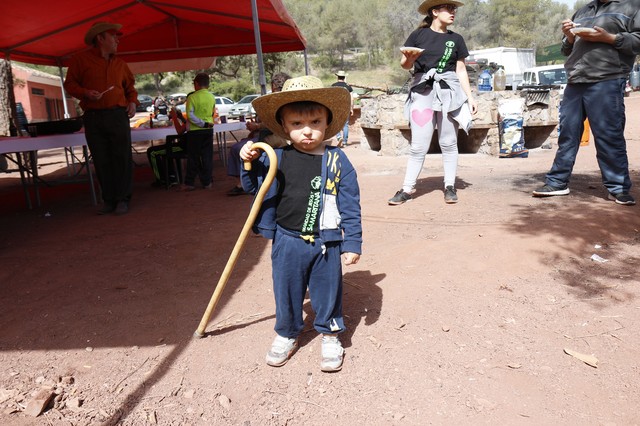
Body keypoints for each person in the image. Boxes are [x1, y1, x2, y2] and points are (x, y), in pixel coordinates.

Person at [239, 75, 362, 372]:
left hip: (326, 242)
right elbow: (252, 188)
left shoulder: (337, 160)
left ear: (327, 123)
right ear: (284, 126)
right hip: (287, 240)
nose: (307, 131)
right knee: (286, 290)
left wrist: (352, 241)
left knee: (327, 289)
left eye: (315, 123)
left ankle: (330, 334)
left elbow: (350, 203)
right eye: (297, 124)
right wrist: (248, 160)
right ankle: (287, 332)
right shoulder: (276, 157)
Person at [532, 0, 639, 206]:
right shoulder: (583, 11)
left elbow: (638, 41)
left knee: (609, 135)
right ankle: (557, 182)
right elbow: (566, 49)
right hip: (576, 79)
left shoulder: (633, 7)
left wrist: (610, 38)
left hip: (607, 78)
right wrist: (570, 37)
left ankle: (618, 188)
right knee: (567, 134)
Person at [388, 0, 477, 206]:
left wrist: (470, 98)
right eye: (449, 8)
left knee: (448, 142)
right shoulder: (419, 35)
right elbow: (405, 64)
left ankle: (450, 186)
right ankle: (407, 189)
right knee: (419, 145)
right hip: (423, 91)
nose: (453, 12)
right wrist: (409, 58)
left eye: (454, 8)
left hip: (449, 92)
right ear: (435, 11)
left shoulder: (456, 39)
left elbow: (461, 70)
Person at [64, 22, 138, 215]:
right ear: (100, 39)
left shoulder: (120, 64)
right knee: (101, 158)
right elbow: (70, 84)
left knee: (122, 157)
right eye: (113, 36)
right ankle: (109, 200)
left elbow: (130, 88)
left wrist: (132, 103)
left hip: (117, 115)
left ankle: (123, 199)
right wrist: (85, 93)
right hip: (94, 117)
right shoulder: (79, 60)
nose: (117, 40)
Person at [226, 72, 291, 196]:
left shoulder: (278, 100)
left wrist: (257, 126)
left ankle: (246, 181)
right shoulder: (275, 100)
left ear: (273, 86)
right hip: (272, 136)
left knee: (240, 149)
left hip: (276, 138)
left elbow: (273, 123)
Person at [181, 73, 216, 191]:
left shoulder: (192, 97)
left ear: (196, 84)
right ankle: (207, 182)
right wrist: (206, 123)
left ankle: (189, 182)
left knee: (193, 157)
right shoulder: (212, 97)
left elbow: (190, 115)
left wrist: (201, 123)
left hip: (195, 131)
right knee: (207, 156)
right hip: (208, 129)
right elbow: (212, 113)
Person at [146, 101, 188, 187]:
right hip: (189, 145)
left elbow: (180, 131)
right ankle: (171, 176)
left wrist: (174, 117)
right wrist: (181, 118)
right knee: (168, 148)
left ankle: (162, 180)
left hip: (184, 147)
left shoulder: (192, 117)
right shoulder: (199, 117)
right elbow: (187, 126)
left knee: (152, 152)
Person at [331, 71, 354, 146]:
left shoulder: (333, 86)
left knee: (336, 123)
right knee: (345, 125)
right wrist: (351, 108)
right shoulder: (348, 86)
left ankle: (338, 137)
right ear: (344, 77)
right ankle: (344, 142)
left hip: (336, 107)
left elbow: (331, 98)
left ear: (337, 77)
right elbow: (351, 98)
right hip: (346, 107)